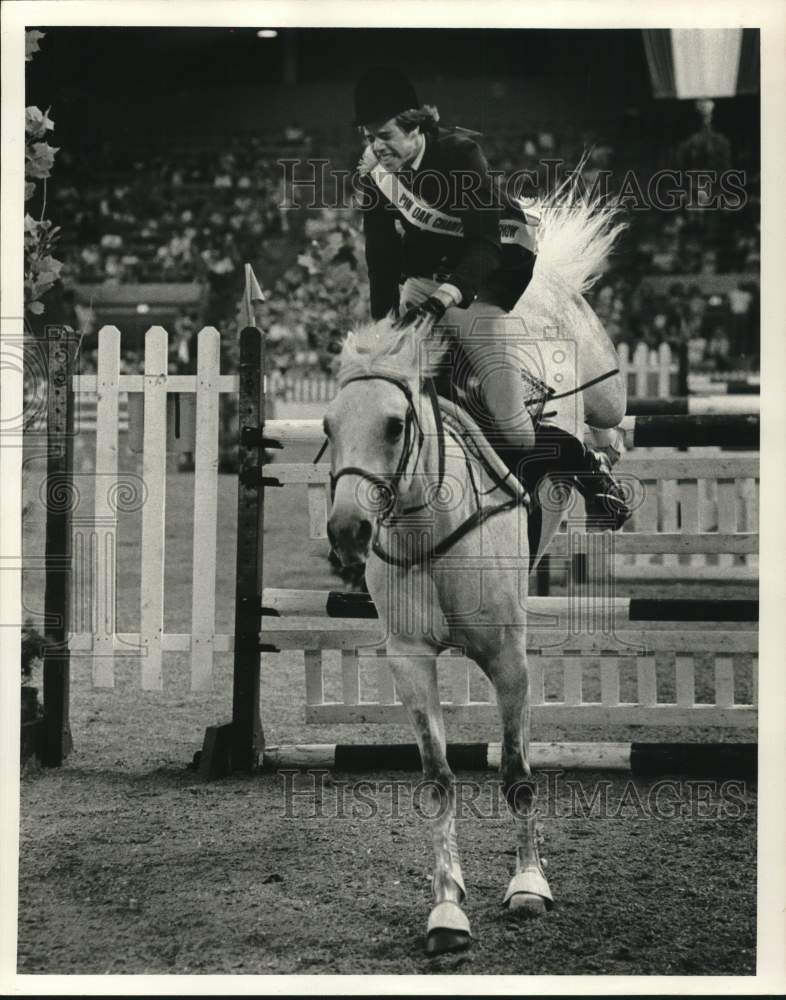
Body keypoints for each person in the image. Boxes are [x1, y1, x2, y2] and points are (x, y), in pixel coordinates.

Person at [352, 67, 630, 528]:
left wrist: (447, 297)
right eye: (369, 136)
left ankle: (587, 465)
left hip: (494, 267)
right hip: (429, 274)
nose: (376, 147)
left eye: (384, 136)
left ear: (416, 126)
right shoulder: (376, 175)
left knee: (514, 431)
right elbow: (381, 264)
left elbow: (483, 246)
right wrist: (386, 333)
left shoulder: (461, 155)